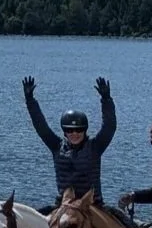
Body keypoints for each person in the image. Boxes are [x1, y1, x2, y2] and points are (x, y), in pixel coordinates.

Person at [24, 75, 118, 206]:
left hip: (93, 205)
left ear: (85, 130)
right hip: (64, 205)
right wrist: (30, 101)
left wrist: (106, 100)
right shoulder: (56, 146)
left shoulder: (95, 147)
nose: (75, 134)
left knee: (123, 219)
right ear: (64, 132)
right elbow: (41, 126)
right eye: (70, 130)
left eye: (79, 130)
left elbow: (109, 126)